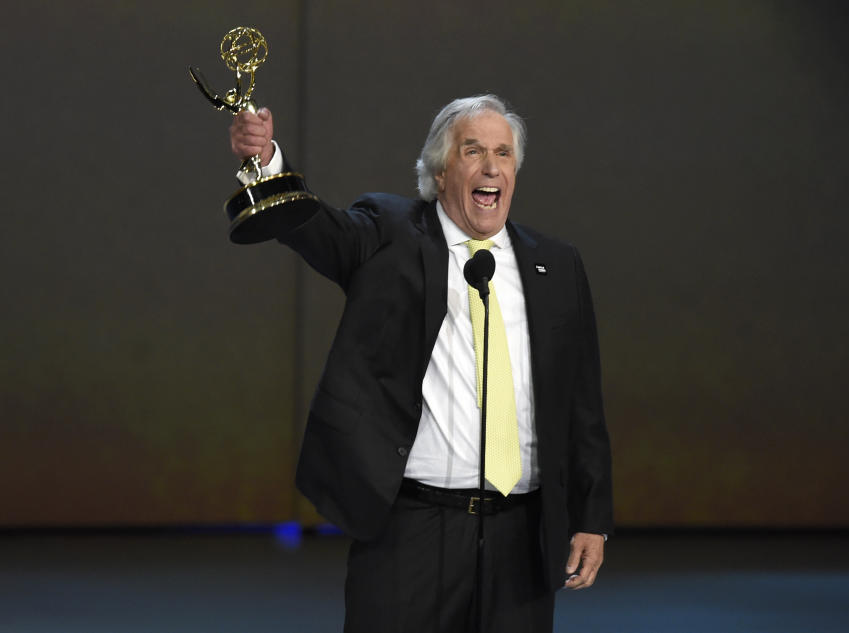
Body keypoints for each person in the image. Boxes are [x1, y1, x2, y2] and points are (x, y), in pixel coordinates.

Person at [228, 94, 613, 633]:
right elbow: (319, 230)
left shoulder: (556, 264)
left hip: (520, 539)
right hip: (411, 531)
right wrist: (267, 160)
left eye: (503, 154)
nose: (490, 167)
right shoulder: (389, 233)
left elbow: (581, 403)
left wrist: (591, 518)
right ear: (440, 168)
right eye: (473, 150)